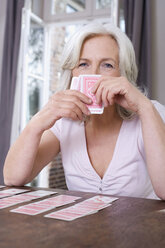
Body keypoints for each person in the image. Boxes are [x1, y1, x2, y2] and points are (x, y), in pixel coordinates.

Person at [3, 22, 165, 200]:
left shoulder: (150, 112)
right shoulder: (64, 122)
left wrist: (144, 107)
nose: (94, 75)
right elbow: (12, 178)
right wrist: (38, 121)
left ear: (123, 74)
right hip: (85, 228)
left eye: (107, 65)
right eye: (83, 64)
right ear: (72, 73)